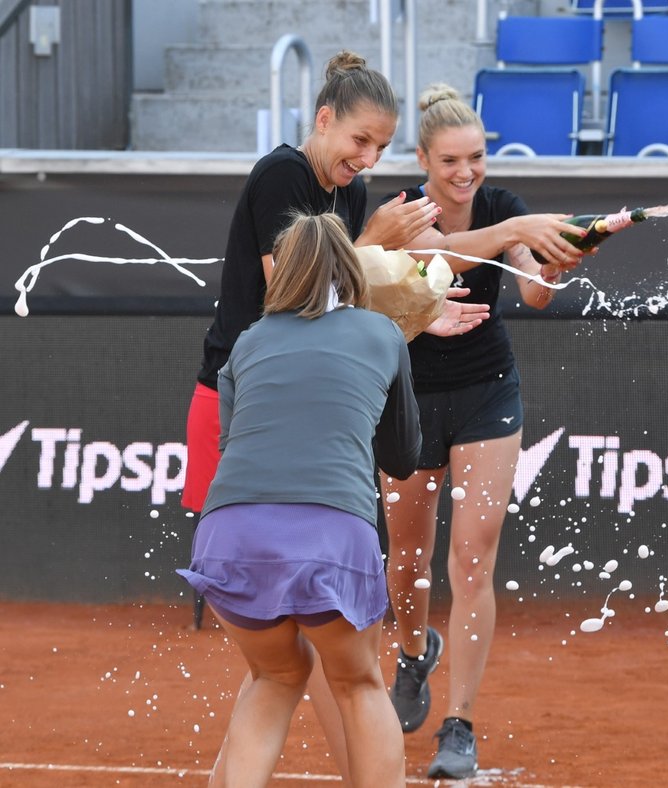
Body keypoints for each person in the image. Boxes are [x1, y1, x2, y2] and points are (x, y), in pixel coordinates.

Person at [180, 52, 488, 781]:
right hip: (256, 416)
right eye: (359, 141)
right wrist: (386, 277)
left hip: (258, 442)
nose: (367, 157)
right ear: (324, 120)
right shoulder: (283, 178)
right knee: (337, 671)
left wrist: (418, 307)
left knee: (278, 668)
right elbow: (307, 289)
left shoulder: (350, 202)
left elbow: (350, 297)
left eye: (380, 146)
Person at [379, 83, 588, 780]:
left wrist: (553, 267)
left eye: (475, 158)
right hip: (407, 396)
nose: (465, 172)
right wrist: (509, 238)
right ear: (423, 159)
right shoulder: (407, 214)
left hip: (487, 395)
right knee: (406, 561)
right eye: (450, 160)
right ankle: (414, 652)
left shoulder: (505, 210)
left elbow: (531, 289)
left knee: (471, 562)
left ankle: (460, 725)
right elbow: (442, 258)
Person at [178, 212, 421, 787]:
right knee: (358, 684)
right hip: (331, 534)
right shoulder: (382, 332)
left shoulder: (248, 341)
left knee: (275, 676)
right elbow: (402, 457)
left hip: (229, 536)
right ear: (350, 270)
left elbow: (237, 443)